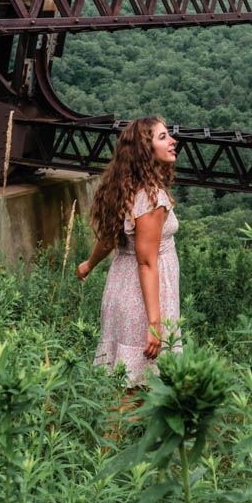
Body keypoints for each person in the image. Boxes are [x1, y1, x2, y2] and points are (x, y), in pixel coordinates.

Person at [76, 116, 181, 386]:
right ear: (146, 152)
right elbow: (147, 263)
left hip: (121, 287)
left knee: (123, 379)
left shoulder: (127, 188)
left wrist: (90, 263)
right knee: (134, 389)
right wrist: (154, 324)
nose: (172, 141)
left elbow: (111, 236)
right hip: (143, 298)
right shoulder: (151, 198)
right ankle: (114, 430)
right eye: (162, 137)